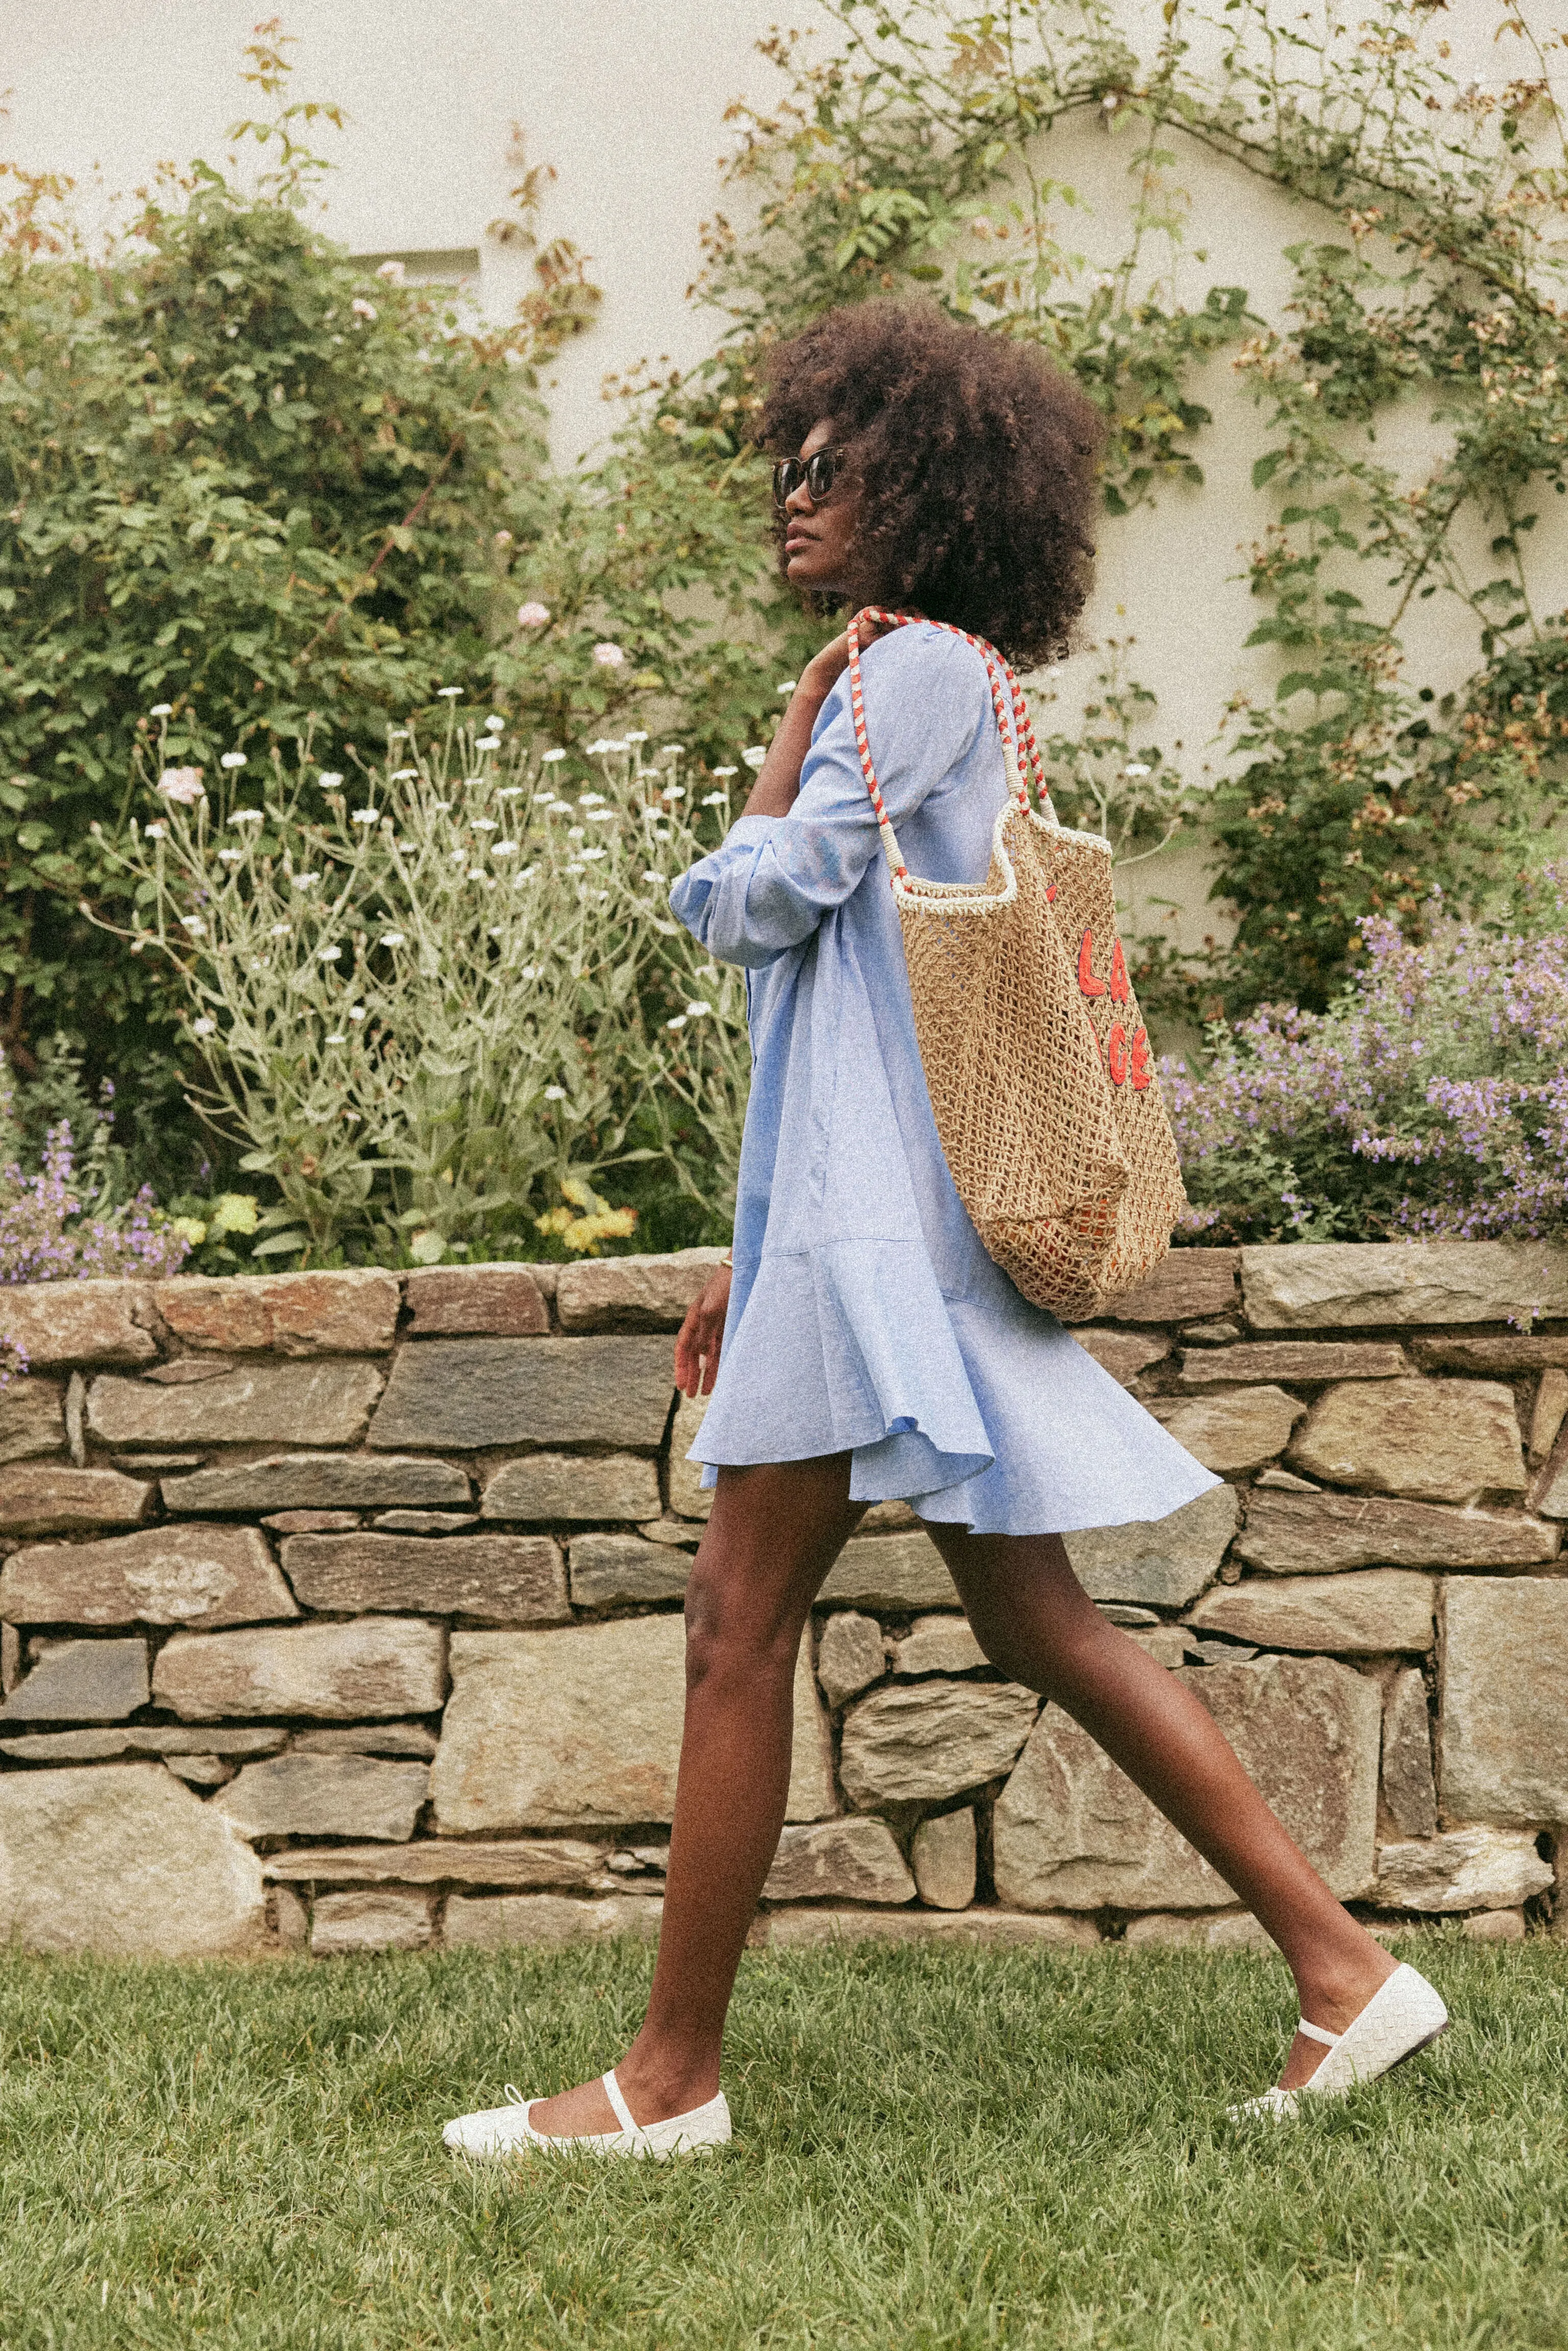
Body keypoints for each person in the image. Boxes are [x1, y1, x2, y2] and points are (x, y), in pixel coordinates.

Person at [443, 302, 1446, 2162]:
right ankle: (1345, 1972)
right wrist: (748, 1254)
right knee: (1036, 1615)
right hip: (872, 1232)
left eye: (837, 463)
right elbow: (846, 1023)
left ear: (935, 487)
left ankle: (666, 2086)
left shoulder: (901, 672)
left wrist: (785, 735)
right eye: (788, 461)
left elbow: (762, 907)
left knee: (738, 1623)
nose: (797, 492)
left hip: (879, 1251)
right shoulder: (928, 676)